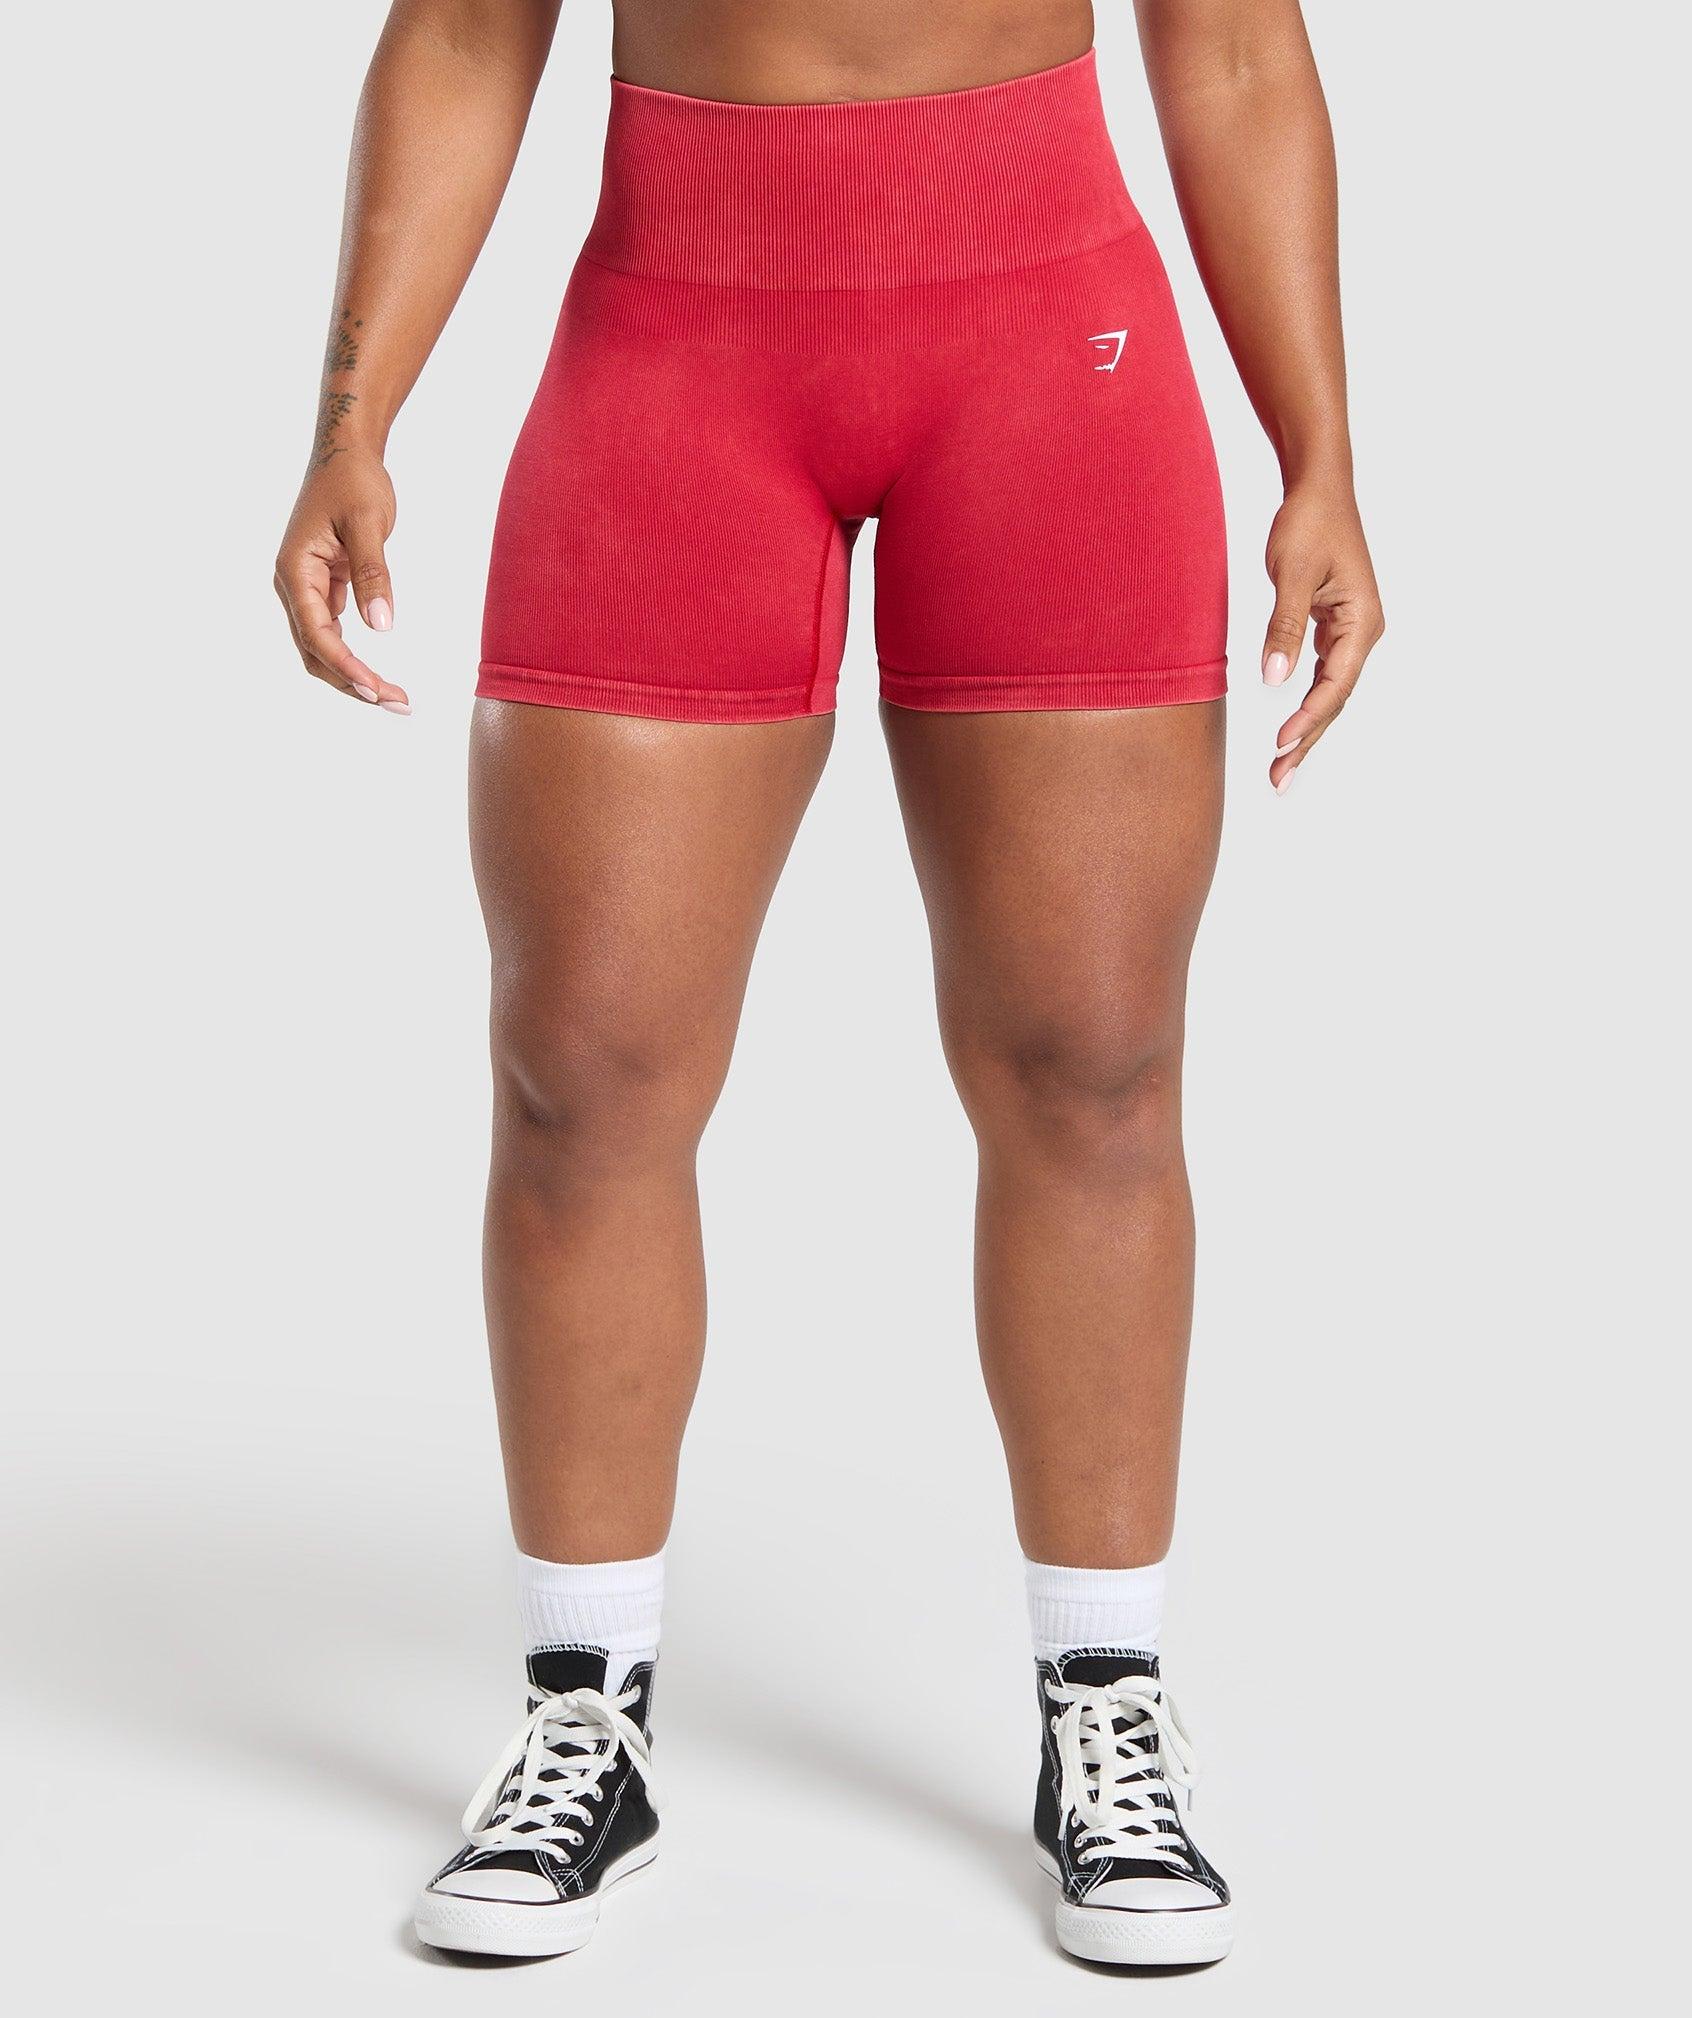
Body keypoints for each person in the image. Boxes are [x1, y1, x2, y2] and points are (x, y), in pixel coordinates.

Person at [275, 0, 1382, 1970]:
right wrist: (353, 414)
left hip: (1049, 342)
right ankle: (586, 1713)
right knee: (581, 1067)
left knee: (1096, 1059)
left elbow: (1229, 48)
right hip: (678, 345)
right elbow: (459, 34)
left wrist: (1324, 454)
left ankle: (1106, 1700)